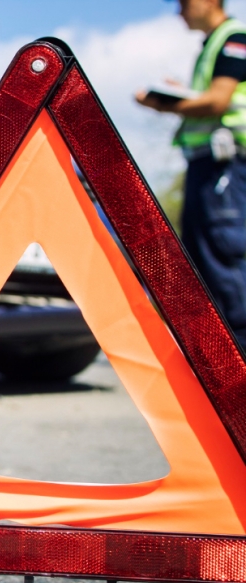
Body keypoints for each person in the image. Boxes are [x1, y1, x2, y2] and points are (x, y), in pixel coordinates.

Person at [137, 0, 246, 348]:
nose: (179, 12)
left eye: (184, 3)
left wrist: (165, 103)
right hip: (210, 168)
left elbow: (217, 101)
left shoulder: (233, 38)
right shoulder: (215, 43)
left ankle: (238, 362)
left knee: (223, 261)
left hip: (224, 169)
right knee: (205, 262)